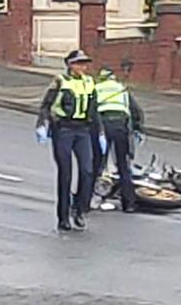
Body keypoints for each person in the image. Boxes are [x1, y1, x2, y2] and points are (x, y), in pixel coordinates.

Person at [35, 49, 107, 231]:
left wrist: (100, 133)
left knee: (87, 171)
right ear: (70, 64)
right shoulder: (60, 81)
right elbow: (46, 106)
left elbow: (94, 109)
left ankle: (79, 209)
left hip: (83, 130)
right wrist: (42, 125)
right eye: (78, 63)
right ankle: (63, 216)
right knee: (65, 174)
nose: (82, 67)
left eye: (84, 63)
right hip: (64, 130)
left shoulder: (89, 82)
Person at [94, 67, 140, 213]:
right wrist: (138, 128)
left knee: (97, 164)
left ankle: (87, 198)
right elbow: (136, 111)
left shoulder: (96, 88)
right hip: (121, 126)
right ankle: (129, 204)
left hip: (102, 126)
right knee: (123, 166)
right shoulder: (122, 89)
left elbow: (90, 110)